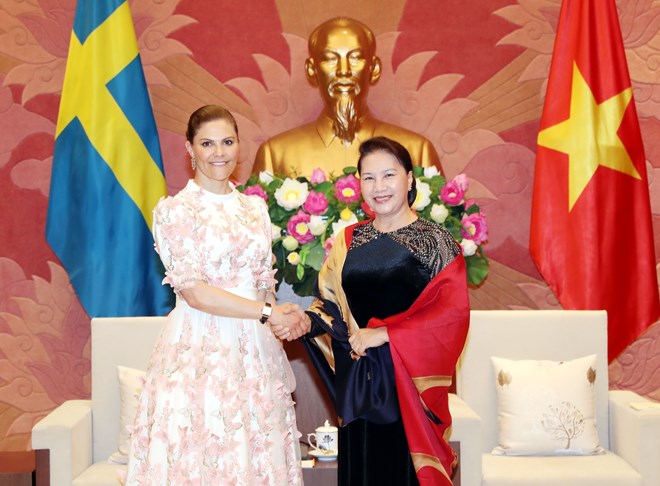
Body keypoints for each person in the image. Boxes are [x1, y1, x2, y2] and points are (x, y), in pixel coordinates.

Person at [124, 105, 306, 485]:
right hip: (199, 349)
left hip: (254, 353)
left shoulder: (254, 208)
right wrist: (266, 313)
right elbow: (196, 293)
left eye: (227, 141)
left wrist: (283, 315)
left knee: (256, 453)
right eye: (207, 143)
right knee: (203, 453)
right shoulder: (175, 211)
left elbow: (261, 282)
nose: (218, 152)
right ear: (190, 149)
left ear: (238, 146)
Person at [285, 136, 470, 485]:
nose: (379, 187)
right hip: (361, 383)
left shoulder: (437, 241)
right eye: (368, 178)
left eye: (389, 175)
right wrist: (303, 321)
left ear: (410, 179)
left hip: (410, 387)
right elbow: (330, 305)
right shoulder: (349, 240)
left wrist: (386, 334)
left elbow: (452, 317)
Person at [252, 17, 441, 178]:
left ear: (374, 69)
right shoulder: (275, 154)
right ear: (312, 70)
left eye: (355, 58)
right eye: (330, 59)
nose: (344, 71)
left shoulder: (416, 151)